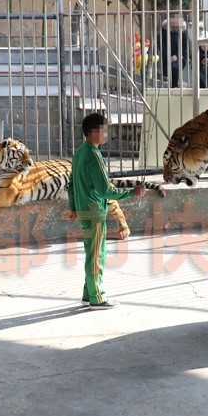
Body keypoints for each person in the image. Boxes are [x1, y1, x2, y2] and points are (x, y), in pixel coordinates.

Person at [66, 113, 145, 310]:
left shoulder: (79, 153)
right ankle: (97, 298)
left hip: (84, 211)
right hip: (94, 213)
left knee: (91, 253)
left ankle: (88, 293)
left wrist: (73, 207)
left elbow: (72, 184)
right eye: (104, 129)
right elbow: (105, 190)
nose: (106, 133)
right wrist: (131, 193)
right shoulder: (94, 154)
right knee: (97, 256)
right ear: (94, 131)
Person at [158, 12, 189, 88]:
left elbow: (184, 47)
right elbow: (161, 46)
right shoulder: (163, 31)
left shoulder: (183, 31)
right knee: (166, 74)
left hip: (179, 57)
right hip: (166, 57)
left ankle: (175, 86)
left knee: (175, 70)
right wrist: (169, 56)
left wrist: (177, 55)